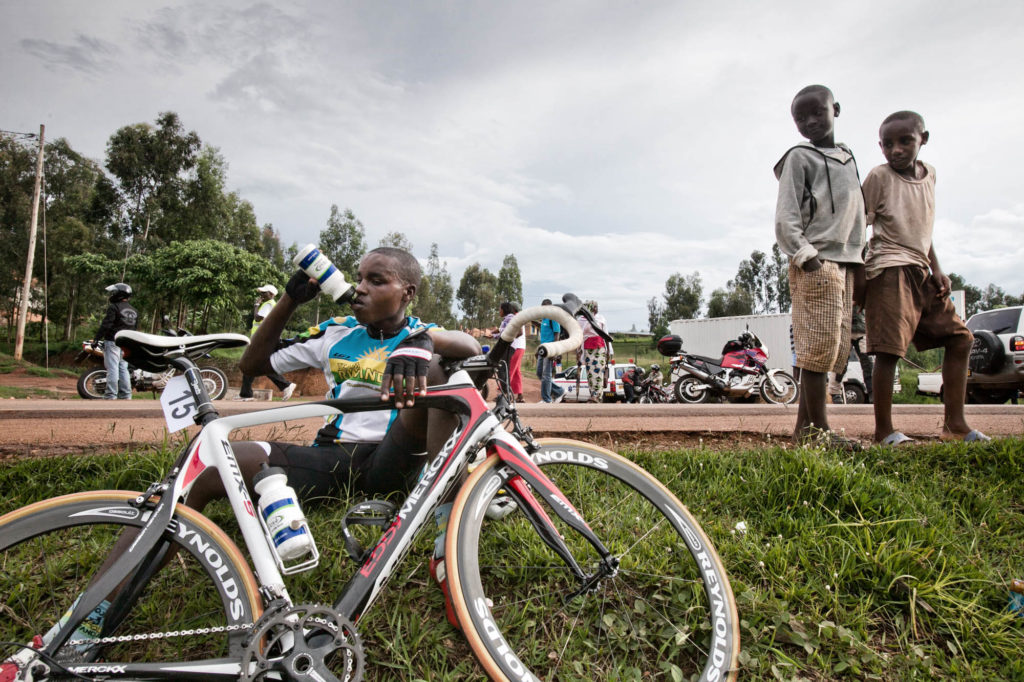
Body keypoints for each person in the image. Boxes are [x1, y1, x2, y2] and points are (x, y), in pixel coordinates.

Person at [186, 247, 481, 629]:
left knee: (440, 372)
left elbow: (469, 347)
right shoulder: (337, 332)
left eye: (377, 281)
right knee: (215, 463)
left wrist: (423, 343)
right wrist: (290, 300)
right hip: (333, 458)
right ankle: (140, 566)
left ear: (407, 293)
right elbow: (252, 365)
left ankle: (447, 546)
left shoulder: (422, 335)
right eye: (359, 278)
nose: (360, 288)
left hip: (395, 458)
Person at [860, 111, 988, 444]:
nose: (896, 150)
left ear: (924, 139)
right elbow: (857, 225)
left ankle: (955, 424)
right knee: (889, 350)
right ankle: (884, 431)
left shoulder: (930, 175)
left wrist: (936, 268)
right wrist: (860, 280)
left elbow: (923, 229)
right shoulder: (879, 177)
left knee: (961, 338)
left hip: (921, 270)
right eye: (888, 144)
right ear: (880, 146)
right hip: (888, 269)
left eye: (905, 141)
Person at [774, 84, 866, 449]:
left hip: (845, 262)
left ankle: (802, 432)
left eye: (818, 113)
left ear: (836, 110)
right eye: (801, 118)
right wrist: (805, 255)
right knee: (816, 348)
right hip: (818, 261)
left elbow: (854, 211)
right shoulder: (799, 158)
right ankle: (821, 430)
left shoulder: (848, 156)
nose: (810, 121)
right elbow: (786, 216)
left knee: (833, 346)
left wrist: (859, 257)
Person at [235, 284, 297, 401]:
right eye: (262, 292)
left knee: (254, 364)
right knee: (251, 364)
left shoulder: (268, 304)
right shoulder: (271, 304)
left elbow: (258, 318)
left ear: (272, 295)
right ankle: (246, 394)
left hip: (261, 340)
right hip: (261, 339)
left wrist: (256, 305)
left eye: (265, 292)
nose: (262, 295)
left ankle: (285, 385)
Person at [93, 283, 138, 400]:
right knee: (123, 368)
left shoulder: (114, 307)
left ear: (119, 294)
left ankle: (110, 394)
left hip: (113, 341)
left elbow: (106, 324)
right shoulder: (134, 310)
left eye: (114, 292)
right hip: (127, 343)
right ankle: (126, 395)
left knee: (112, 368)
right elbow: (134, 329)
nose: (112, 295)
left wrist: (97, 338)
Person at [493, 301, 525, 402]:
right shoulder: (519, 317)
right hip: (520, 347)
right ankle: (520, 396)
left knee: (507, 370)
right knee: (516, 372)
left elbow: (514, 331)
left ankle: (504, 394)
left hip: (514, 346)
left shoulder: (514, 318)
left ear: (513, 309)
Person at [577, 300, 608, 403]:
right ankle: (593, 394)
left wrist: (608, 351)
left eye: (597, 307)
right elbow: (578, 337)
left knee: (599, 370)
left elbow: (606, 335)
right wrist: (578, 352)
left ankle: (596, 395)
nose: (596, 309)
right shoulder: (581, 320)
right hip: (587, 347)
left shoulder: (600, 318)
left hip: (600, 347)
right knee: (590, 372)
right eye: (595, 307)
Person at [536, 299, 566, 403]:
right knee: (539, 373)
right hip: (542, 349)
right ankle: (559, 391)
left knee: (546, 374)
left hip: (549, 350)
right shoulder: (544, 319)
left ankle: (546, 399)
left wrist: (554, 351)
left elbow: (556, 334)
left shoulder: (553, 318)